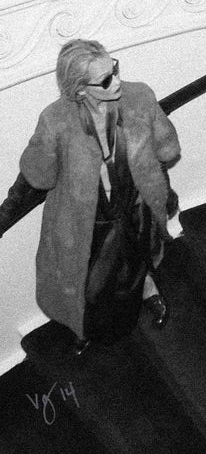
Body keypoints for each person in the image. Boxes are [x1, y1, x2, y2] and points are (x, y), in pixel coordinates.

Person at [0, 39, 181, 354]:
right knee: (90, 286)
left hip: (135, 210)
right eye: (106, 79)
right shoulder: (56, 121)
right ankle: (86, 329)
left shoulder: (139, 98)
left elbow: (162, 149)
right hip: (87, 224)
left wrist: (162, 191)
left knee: (136, 267)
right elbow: (36, 177)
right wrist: (4, 216)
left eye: (115, 68)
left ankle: (149, 291)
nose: (118, 81)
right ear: (81, 90)